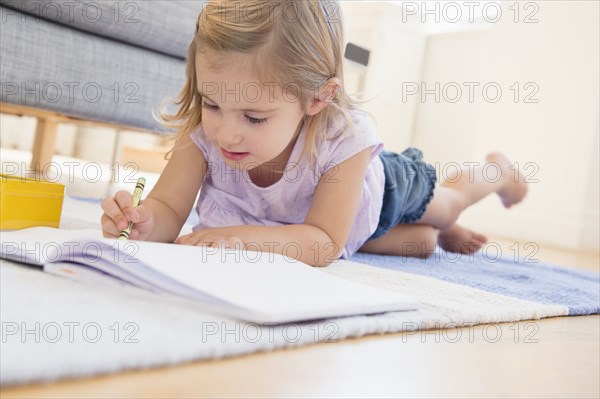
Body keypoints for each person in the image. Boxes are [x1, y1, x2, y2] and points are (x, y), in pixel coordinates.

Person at [101, 0, 528, 267]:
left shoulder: (344, 140)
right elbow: (167, 210)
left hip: (374, 200)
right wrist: (142, 222)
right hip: (326, 229)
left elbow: (323, 243)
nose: (225, 134)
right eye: (212, 103)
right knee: (421, 243)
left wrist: (246, 240)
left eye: (253, 117)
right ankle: (436, 234)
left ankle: (496, 172)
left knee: (447, 207)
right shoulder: (205, 134)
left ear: (317, 99)